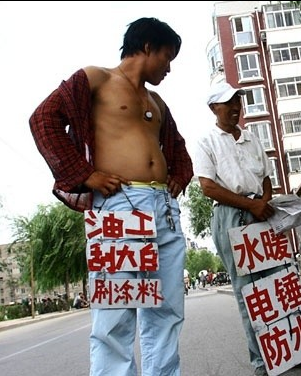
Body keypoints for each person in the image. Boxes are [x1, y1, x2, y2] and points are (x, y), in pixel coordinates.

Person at [29, 17, 193, 375]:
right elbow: (43, 119)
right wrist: (85, 174)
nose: (169, 67)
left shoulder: (157, 101)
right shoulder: (97, 78)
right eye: (167, 57)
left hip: (163, 210)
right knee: (116, 316)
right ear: (147, 46)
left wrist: (178, 176)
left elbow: (178, 149)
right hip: (118, 206)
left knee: (166, 310)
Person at [193, 82, 301, 376]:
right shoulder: (207, 141)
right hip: (232, 216)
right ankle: (263, 361)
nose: (235, 108)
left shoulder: (252, 139)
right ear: (213, 109)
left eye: (238, 102)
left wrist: (263, 203)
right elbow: (208, 187)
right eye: (227, 103)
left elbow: (267, 178)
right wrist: (248, 205)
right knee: (250, 291)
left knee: (283, 283)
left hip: (263, 212)